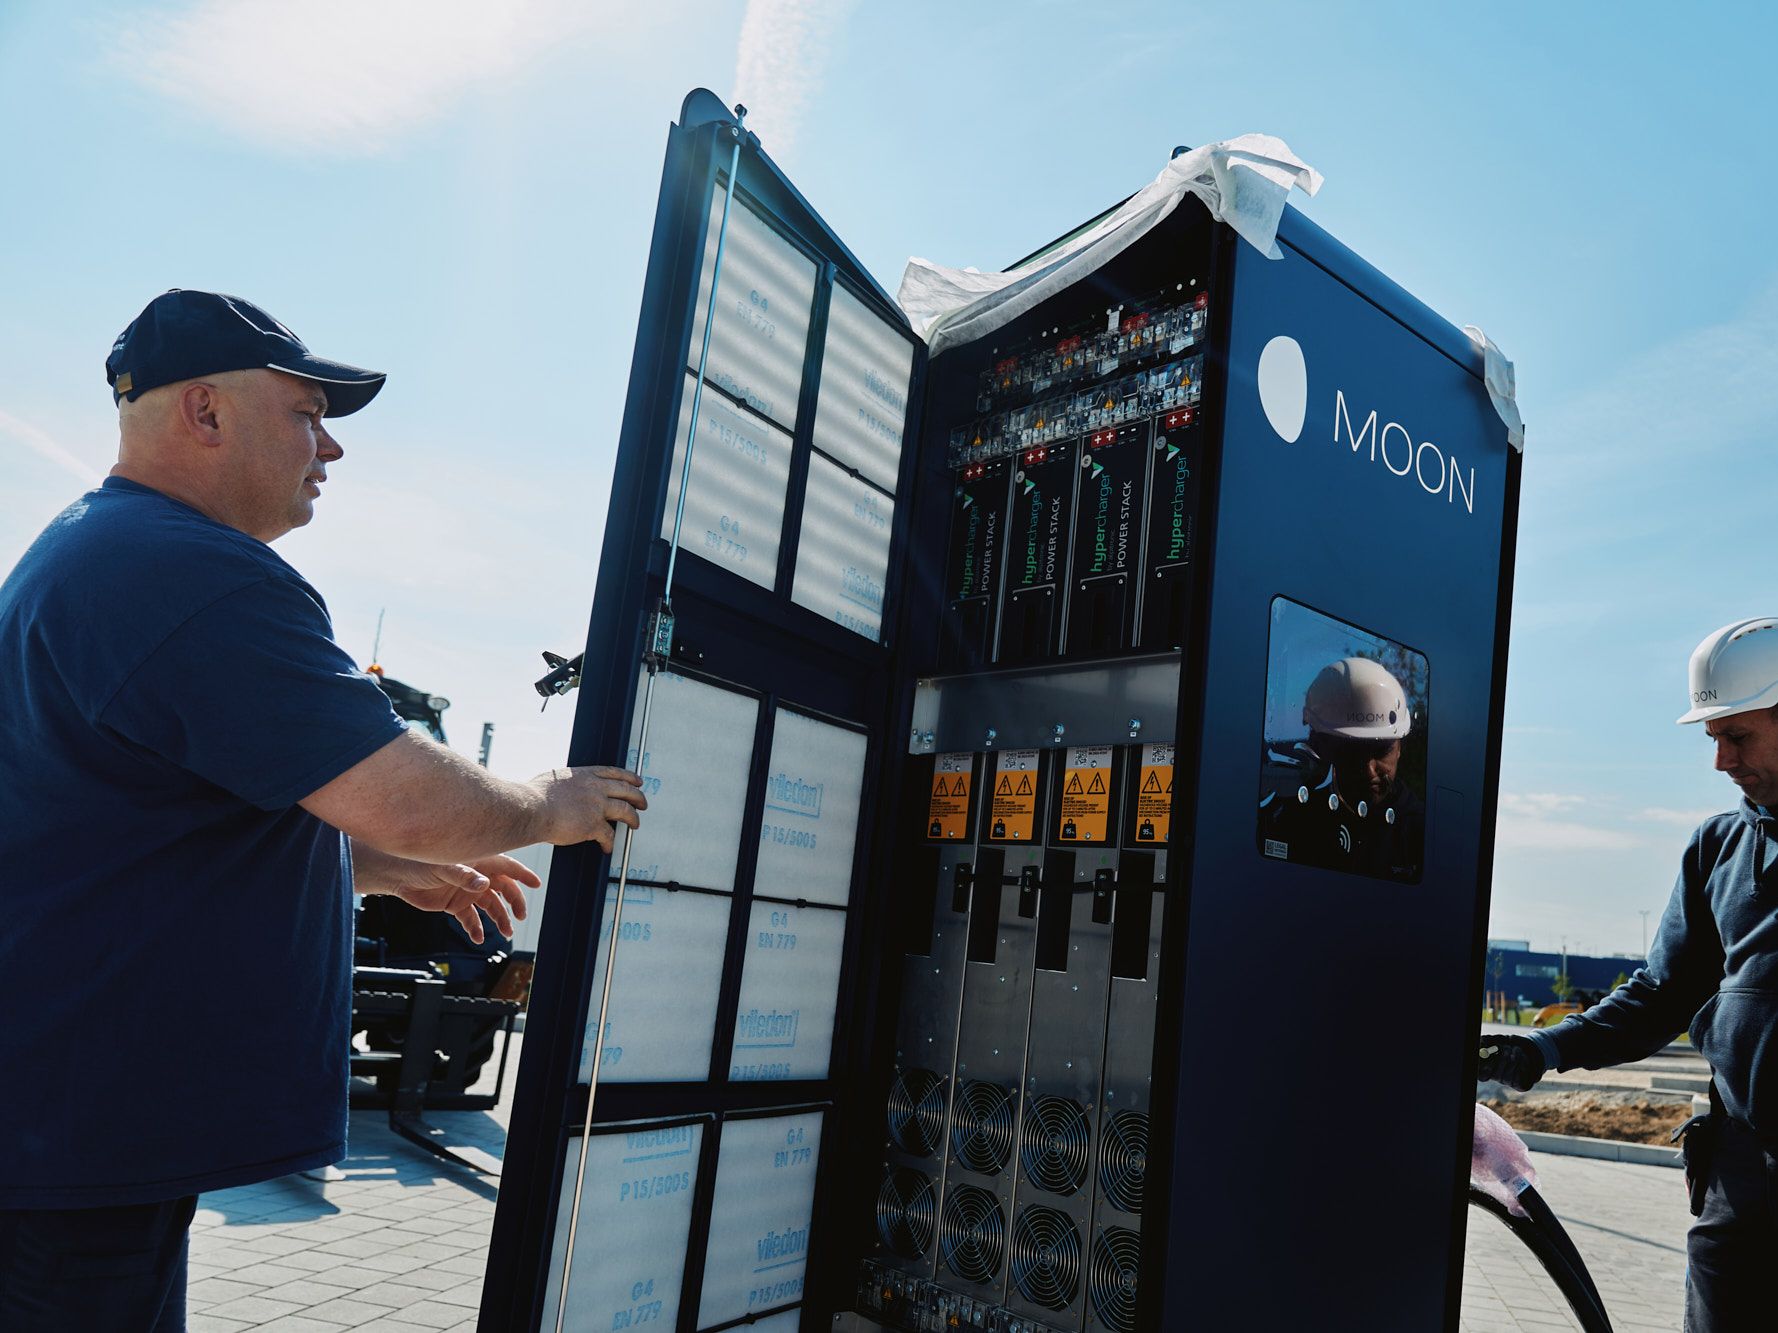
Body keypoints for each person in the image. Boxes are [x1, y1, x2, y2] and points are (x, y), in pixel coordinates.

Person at [0, 290, 648, 1331]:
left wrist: (368, 867)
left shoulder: (93, 549)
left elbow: (140, 819)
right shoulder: (190, 570)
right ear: (205, 411)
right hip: (82, 1137)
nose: (331, 446)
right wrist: (553, 800)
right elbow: (407, 796)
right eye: (307, 413)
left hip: (63, 1120)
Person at [1479, 617, 1778, 1331]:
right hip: (1741, 1182)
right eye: (1713, 738)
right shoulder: (1718, 849)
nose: (1722, 760)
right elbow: (1661, 994)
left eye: (1739, 736)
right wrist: (1545, 1047)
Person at [1256, 655, 1425, 880]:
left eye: (1381, 750)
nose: (1369, 770)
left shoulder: (1419, 834)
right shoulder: (1291, 821)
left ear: (1399, 747)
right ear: (1319, 744)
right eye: (1352, 752)